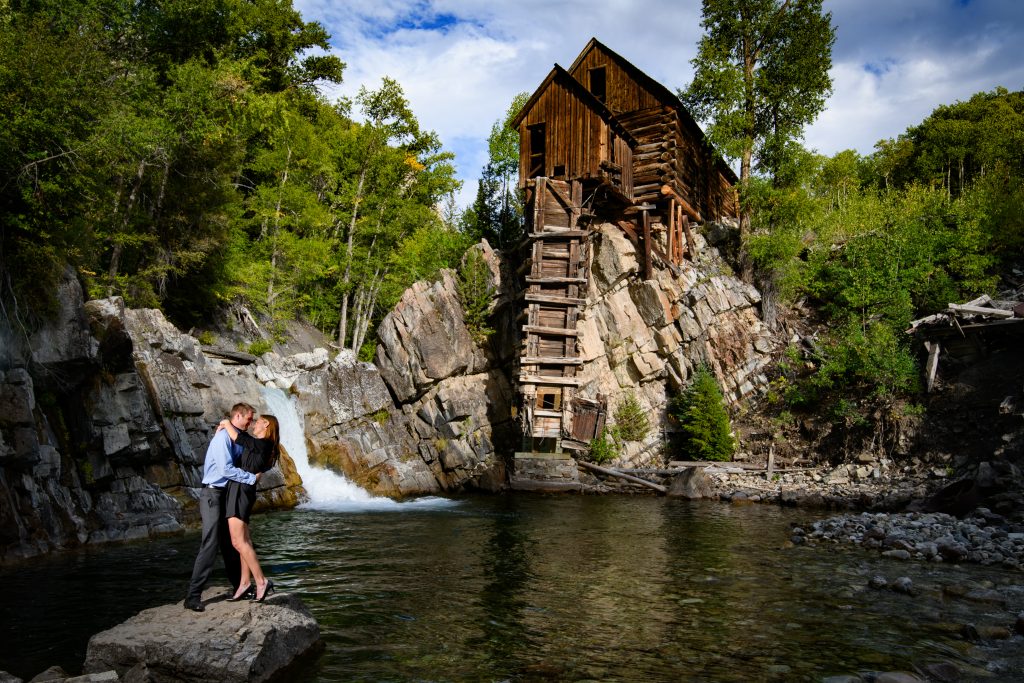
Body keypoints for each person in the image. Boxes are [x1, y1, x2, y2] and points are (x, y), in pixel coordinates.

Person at [184, 403, 260, 612]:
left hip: (227, 495)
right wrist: (251, 479)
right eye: (249, 418)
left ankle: (240, 588)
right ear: (238, 416)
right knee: (211, 543)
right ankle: (192, 597)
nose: (250, 422)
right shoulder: (222, 438)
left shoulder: (239, 437)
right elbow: (225, 469)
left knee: (231, 544)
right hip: (213, 494)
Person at [218, 413, 280, 602]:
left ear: (266, 424)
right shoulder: (264, 446)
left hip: (240, 491)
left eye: (257, 422)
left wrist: (226, 423)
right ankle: (244, 583)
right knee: (244, 540)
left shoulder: (263, 444)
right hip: (244, 490)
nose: (253, 424)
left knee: (238, 542)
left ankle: (261, 581)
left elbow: (239, 438)